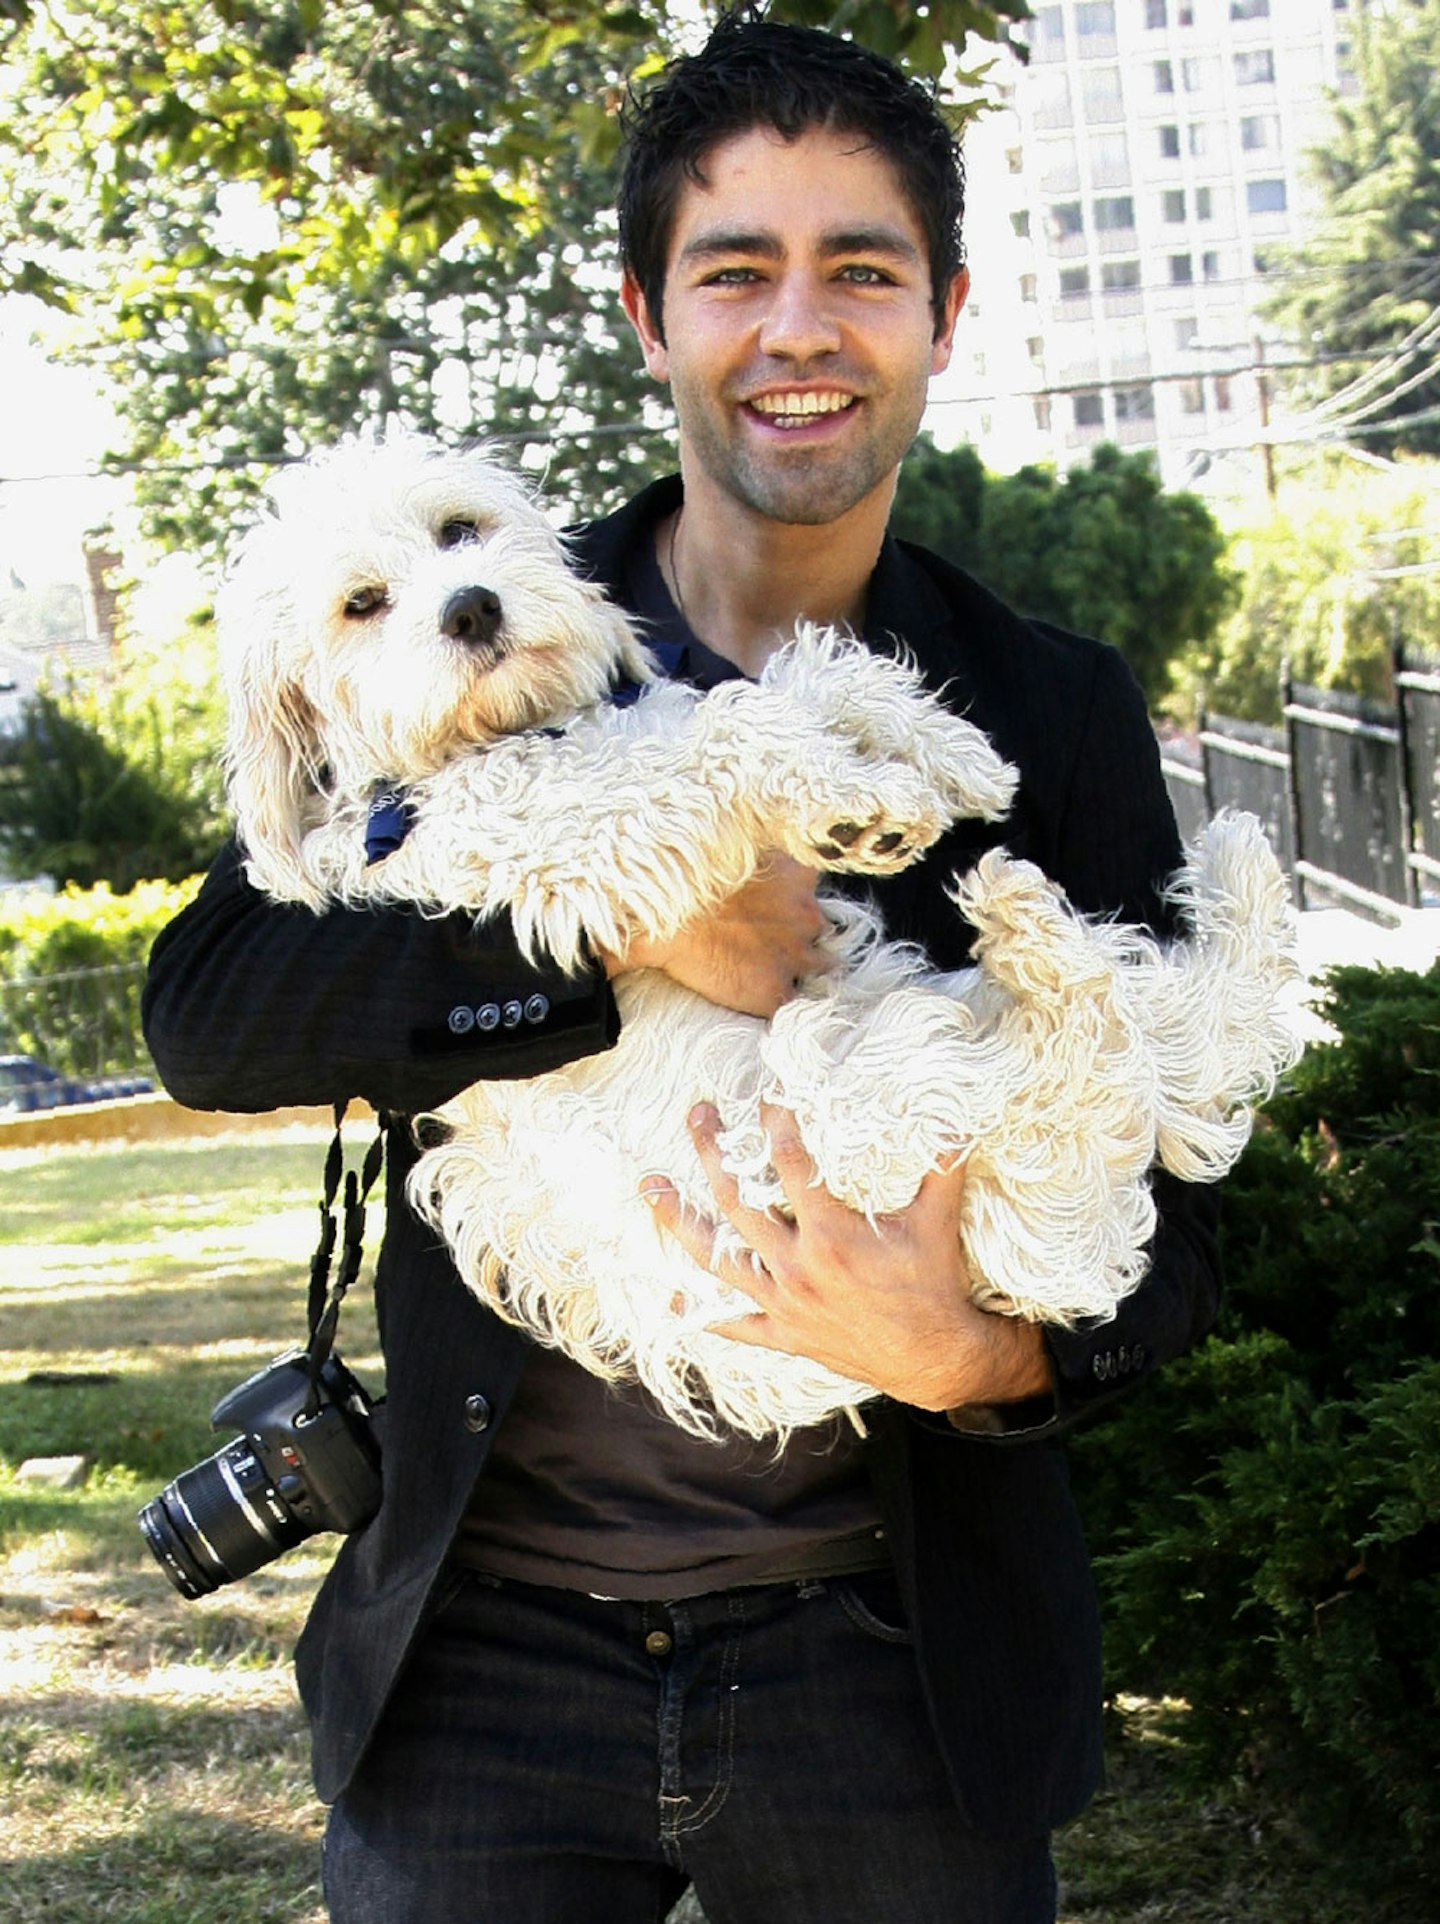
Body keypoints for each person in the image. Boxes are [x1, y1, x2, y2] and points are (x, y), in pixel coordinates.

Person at [142, 12, 1221, 1922]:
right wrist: (629, 915)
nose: (799, 327)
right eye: (737, 272)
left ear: (944, 316)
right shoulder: (478, 630)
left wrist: (981, 1354)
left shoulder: (1050, 705)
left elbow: (1185, 1201)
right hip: (488, 1648)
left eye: (860, 270)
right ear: (652, 319)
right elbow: (210, 1006)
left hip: (891, 1654)